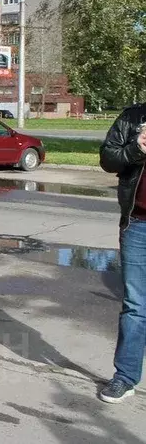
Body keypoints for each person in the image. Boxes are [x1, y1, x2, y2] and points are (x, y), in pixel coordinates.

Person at [99, 104, 146, 403]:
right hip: (138, 224)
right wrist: (135, 148)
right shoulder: (132, 118)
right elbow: (108, 159)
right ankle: (125, 377)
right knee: (135, 306)